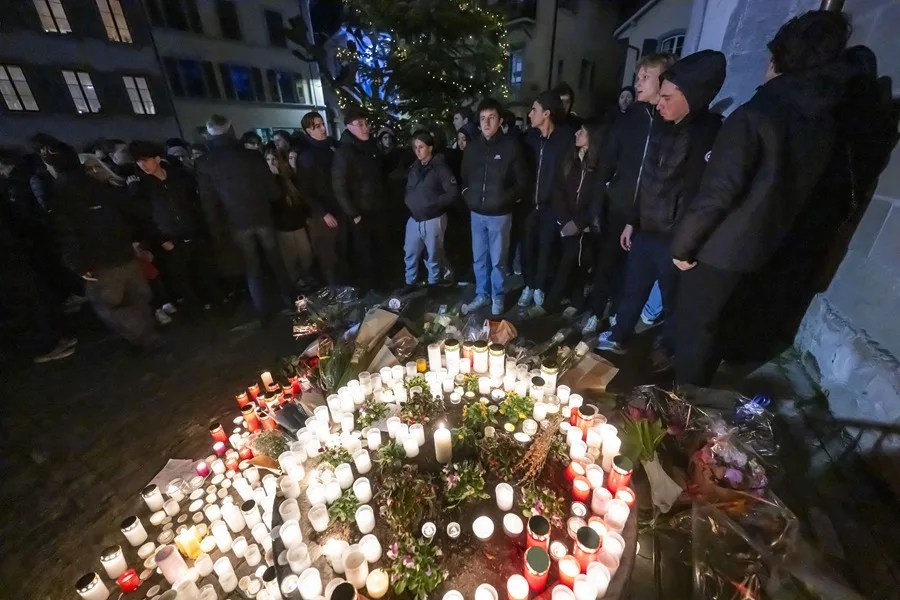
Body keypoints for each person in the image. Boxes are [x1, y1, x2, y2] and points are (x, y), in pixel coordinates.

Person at [670, 11, 852, 386]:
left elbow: (718, 192)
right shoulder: (821, 120)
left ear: (777, 60)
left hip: (720, 251)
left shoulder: (755, 115)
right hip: (766, 247)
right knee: (723, 328)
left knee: (696, 332)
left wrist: (683, 245)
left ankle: (680, 410)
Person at [596, 50, 727, 370]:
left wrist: (689, 243)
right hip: (646, 230)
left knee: (673, 301)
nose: (659, 103)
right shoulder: (662, 126)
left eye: (667, 96)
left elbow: (707, 196)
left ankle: (668, 347)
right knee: (633, 289)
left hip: (677, 238)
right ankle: (620, 334)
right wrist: (632, 222)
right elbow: (648, 181)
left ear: (691, 97)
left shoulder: (709, 134)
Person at [581, 52, 676, 335]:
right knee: (606, 263)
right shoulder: (625, 121)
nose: (639, 82)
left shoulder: (669, 122)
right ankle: (596, 310)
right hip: (620, 207)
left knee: (632, 271)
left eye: (647, 76)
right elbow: (605, 167)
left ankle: (621, 313)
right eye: (638, 77)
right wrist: (597, 206)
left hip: (650, 214)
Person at [44, 141, 160, 349]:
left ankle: (143, 339)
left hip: (101, 261)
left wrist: (77, 264)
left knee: (113, 304)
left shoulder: (61, 195)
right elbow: (130, 213)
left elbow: (65, 233)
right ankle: (147, 335)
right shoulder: (100, 186)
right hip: (122, 252)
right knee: (136, 298)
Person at [196, 114, 296, 319]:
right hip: (262, 217)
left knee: (252, 267)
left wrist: (216, 230)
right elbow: (272, 191)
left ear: (210, 133)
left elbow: (209, 202)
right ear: (231, 130)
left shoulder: (205, 163)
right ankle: (291, 301)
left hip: (236, 222)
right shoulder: (251, 156)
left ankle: (263, 311)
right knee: (276, 261)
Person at [128, 141, 221, 312]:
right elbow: (143, 217)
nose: (143, 165)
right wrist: (161, 239)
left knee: (204, 270)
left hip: (192, 231)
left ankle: (215, 302)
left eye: (145, 160)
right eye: (139, 162)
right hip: (169, 238)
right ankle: (195, 310)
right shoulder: (141, 186)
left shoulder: (179, 176)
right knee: (180, 277)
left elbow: (194, 202)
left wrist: (201, 227)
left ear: (157, 159)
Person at [460, 98, 529, 316]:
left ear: (499, 121)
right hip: (477, 213)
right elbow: (464, 178)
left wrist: (504, 199)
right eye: (482, 119)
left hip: (499, 215)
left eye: (491, 118)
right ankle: (482, 294)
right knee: (479, 258)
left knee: (498, 260)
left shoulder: (511, 147)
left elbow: (522, 182)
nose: (486, 123)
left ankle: (497, 297)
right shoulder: (472, 148)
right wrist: (467, 196)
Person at [518, 90, 575, 309]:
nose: (530, 114)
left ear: (546, 114)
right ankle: (528, 285)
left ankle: (540, 287)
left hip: (552, 206)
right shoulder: (529, 139)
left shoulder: (565, 139)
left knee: (546, 248)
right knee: (527, 248)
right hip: (528, 205)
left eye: (534, 110)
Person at [543, 120, 605, 312]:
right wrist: (564, 219)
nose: (577, 134)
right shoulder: (570, 159)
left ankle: (550, 304)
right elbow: (558, 188)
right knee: (572, 261)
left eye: (582, 132)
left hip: (582, 226)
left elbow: (596, 199)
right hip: (565, 221)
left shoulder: (597, 166)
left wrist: (577, 223)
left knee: (572, 262)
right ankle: (575, 301)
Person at [332, 106, 389, 291]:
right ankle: (370, 290)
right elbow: (339, 186)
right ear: (349, 127)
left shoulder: (370, 146)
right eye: (361, 124)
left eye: (366, 124)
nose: (366, 128)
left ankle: (384, 285)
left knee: (381, 250)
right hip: (360, 212)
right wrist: (354, 214)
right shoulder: (345, 152)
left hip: (377, 208)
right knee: (365, 254)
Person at [403, 130, 459, 287]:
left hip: (433, 219)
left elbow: (453, 192)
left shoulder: (440, 168)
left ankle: (434, 286)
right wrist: (409, 201)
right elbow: (409, 188)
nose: (418, 151)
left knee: (432, 256)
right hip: (414, 219)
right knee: (410, 254)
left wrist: (434, 203)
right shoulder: (414, 167)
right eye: (415, 147)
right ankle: (410, 285)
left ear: (430, 147)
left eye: (421, 146)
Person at [297, 111, 344, 286]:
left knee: (340, 252)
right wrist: (323, 213)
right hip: (324, 214)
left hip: (339, 208)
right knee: (328, 256)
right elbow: (306, 191)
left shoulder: (331, 148)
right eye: (316, 126)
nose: (323, 128)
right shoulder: (307, 156)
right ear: (308, 131)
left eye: (322, 124)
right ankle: (334, 291)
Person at [264, 144, 314, 288]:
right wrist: (275, 178)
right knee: (289, 258)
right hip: (282, 226)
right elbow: (275, 200)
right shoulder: (270, 182)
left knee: (306, 254)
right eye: (268, 160)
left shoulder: (290, 179)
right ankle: (295, 283)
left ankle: (305, 277)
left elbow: (300, 200)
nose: (271, 163)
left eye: (274, 159)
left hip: (297, 223)